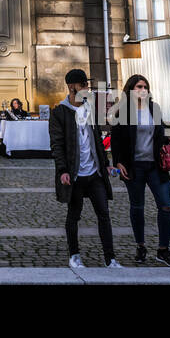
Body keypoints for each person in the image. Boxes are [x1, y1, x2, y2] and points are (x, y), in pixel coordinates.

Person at [50, 69, 120, 269]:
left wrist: (105, 164)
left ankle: (111, 259)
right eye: (83, 86)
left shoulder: (90, 109)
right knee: (74, 215)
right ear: (73, 87)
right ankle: (74, 255)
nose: (87, 89)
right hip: (74, 175)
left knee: (104, 214)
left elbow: (97, 140)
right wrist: (63, 170)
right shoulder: (59, 113)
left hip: (94, 173)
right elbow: (57, 144)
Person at [108, 74, 170, 266]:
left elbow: (160, 134)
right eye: (138, 86)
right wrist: (118, 162)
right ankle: (140, 246)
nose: (142, 90)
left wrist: (169, 145)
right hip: (134, 167)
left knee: (166, 206)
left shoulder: (154, 109)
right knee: (137, 207)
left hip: (156, 166)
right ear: (131, 90)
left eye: (145, 86)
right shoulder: (123, 112)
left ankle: (163, 250)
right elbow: (116, 139)